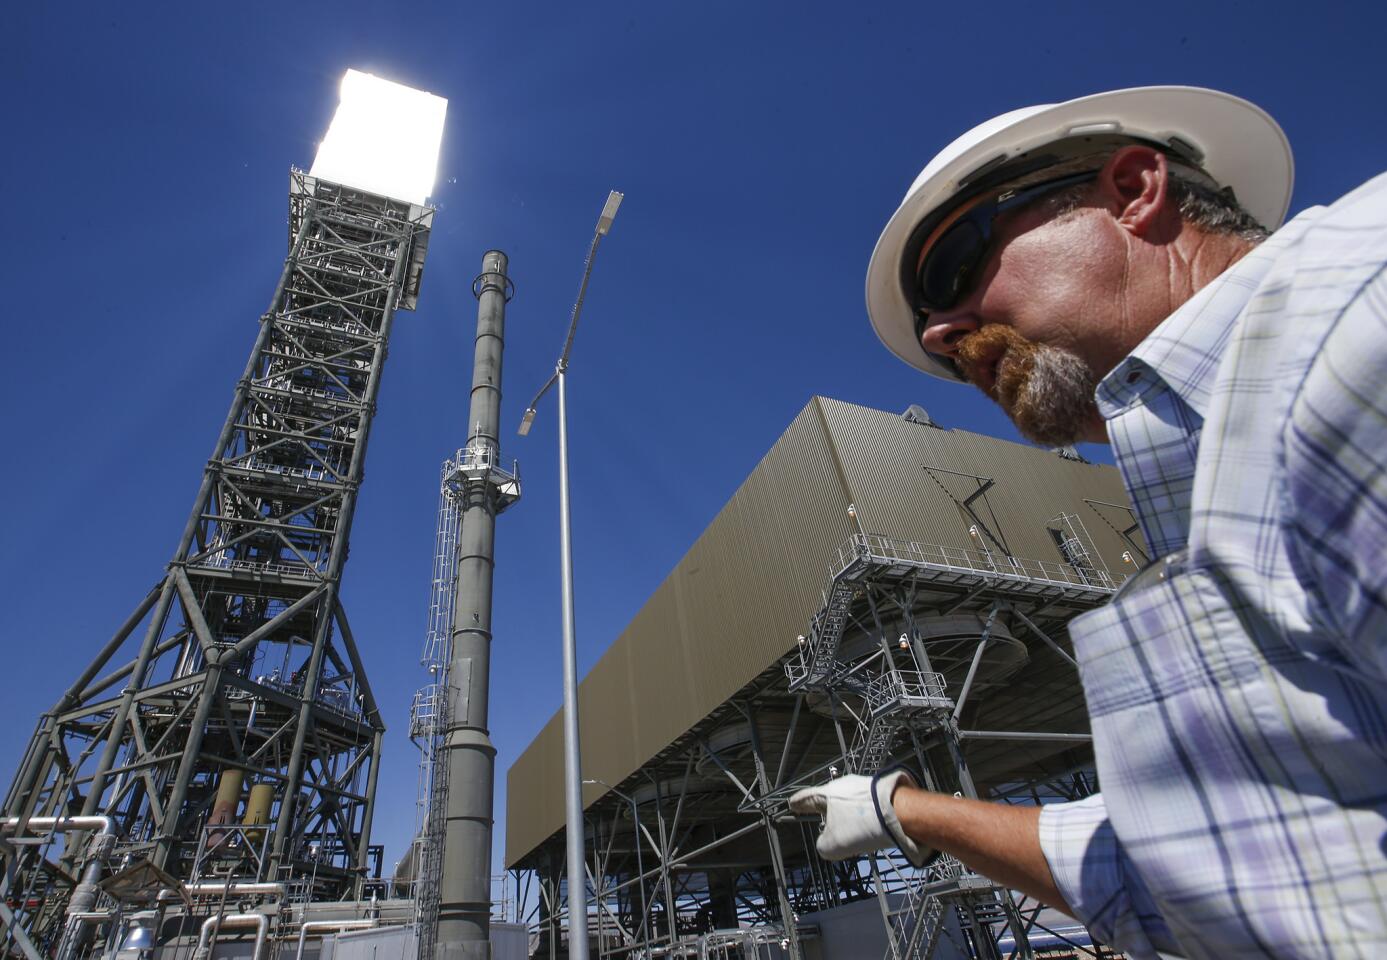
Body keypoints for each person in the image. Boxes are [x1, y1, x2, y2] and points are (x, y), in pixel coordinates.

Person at [789, 86, 1387, 958]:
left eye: (953, 265)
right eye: (933, 341)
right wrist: (902, 808)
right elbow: (1222, 870)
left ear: (1134, 190)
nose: (945, 334)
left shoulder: (1349, 321)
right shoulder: (1221, 453)